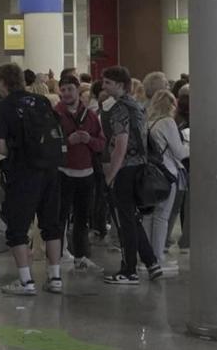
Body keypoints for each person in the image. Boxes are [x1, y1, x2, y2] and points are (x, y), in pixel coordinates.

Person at [0, 62, 67, 295]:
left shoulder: (2, 108)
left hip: (23, 172)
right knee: (51, 226)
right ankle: (55, 277)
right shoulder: (42, 101)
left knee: (18, 227)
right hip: (51, 170)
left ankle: (25, 281)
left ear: (2, 82)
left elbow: (1, 146)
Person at [99, 65, 164, 284]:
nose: (104, 86)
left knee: (124, 221)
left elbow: (121, 145)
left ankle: (129, 271)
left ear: (119, 84)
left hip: (126, 169)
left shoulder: (118, 109)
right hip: (140, 167)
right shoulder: (136, 105)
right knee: (132, 218)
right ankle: (151, 261)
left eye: (108, 82)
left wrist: (111, 175)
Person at [54, 75, 105, 272]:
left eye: (70, 89)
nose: (66, 93)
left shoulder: (90, 116)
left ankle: (81, 257)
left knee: (83, 218)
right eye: (63, 90)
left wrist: (88, 140)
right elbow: (48, 144)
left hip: (86, 173)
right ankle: (55, 259)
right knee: (60, 218)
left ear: (77, 91)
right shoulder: (54, 114)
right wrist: (68, 141)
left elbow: (100, 143)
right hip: (63, 173)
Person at [143, 88, 187, 266]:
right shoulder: (168, 122)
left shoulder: (148, 122)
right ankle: (158, 258)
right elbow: (179, 152)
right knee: (162, 217)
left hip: (148, 174)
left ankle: (145, 258)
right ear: (170, 105)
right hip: (166, 174)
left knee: (148, 217)